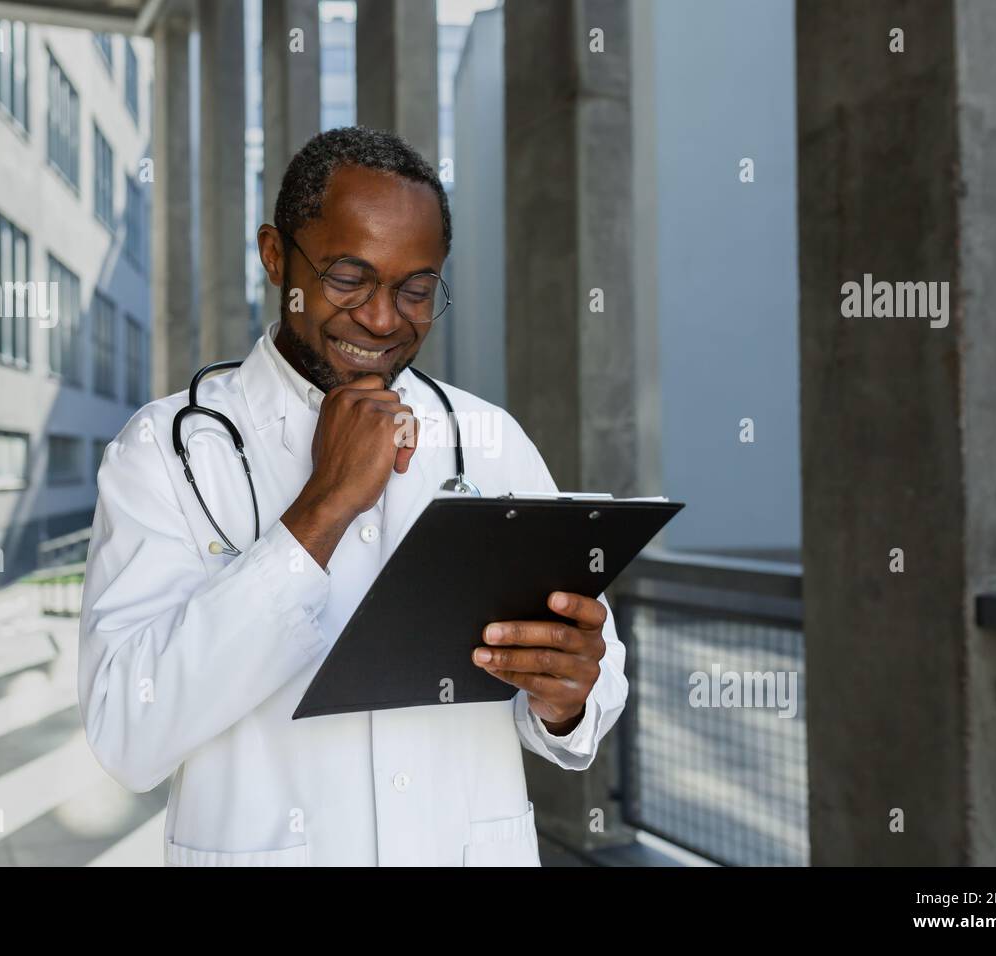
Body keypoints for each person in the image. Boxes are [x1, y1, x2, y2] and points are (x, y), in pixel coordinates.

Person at [78, 126, 628, 866]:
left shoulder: (489, 439)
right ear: (276, 256)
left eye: (417, 289)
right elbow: (127, 733)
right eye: (347, 277)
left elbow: (589, 683)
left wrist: (569, 697)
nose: (381, 317)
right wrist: (321, 511)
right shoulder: (164, 452)